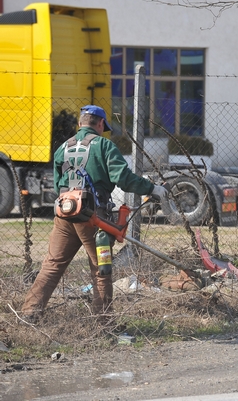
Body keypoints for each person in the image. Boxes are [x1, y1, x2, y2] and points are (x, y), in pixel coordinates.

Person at [22, 105, 168, 321]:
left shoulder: (62, 148)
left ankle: (28, 315)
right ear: (100, 124)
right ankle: (102, 322)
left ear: (80, 123)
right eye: (103, 126)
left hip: (65, 213)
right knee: (101, 269)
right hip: (94, 218)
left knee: (52, 265)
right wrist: (152, 189)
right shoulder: (104, 146)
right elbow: (124, 178)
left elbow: (57, 186)